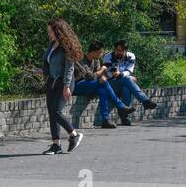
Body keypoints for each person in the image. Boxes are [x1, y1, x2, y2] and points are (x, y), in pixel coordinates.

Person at [42, 18, 86, 155]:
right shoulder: (52, 44)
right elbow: (49, 63)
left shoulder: (66, 47)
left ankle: (74, 135)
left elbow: (69, 68)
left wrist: (66, 86)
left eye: (51, 31)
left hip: (64, 82)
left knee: (56, 111)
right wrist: (43, 71)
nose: (49, 33)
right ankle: (56, 145)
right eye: (48, 31)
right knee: (51, 113)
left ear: (58, 31)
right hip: (52, 82)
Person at [74, 41, 136, 129]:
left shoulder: (96, 60)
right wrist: (102, 69)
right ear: (94, 52)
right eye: (101, 52)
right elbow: (90, 77)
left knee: (102, 90)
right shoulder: (81, 60)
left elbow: (98, 75)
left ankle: (105, 120)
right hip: (78, 85)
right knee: (103, 82)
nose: (102, 54)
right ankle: (121, 106)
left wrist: (102, 75)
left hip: (91, 85)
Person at [103, 41, 158, 125]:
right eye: (117, 50)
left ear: (125, 50)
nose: (118, 52)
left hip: (123, 81)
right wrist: (123, 76)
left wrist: (121, 75)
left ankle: (124, 118)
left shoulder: (131, 56)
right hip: (111, 83)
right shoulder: (108, 57)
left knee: (126, 89)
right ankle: (145, 101)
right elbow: (110, 74)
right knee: (128, 79)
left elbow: (129, 71)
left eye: (121, 50)